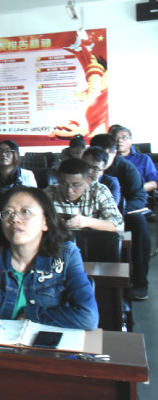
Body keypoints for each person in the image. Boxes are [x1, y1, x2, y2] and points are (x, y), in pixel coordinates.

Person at [0, 186, 99, 331]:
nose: (14, 219)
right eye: (7, 213)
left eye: (26, 212)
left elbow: (88, 317)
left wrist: (32, 315)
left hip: (43, 347)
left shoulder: (66, 256)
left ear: (45, 222)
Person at [89, 133, 150, 299]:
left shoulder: (127, 168)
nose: (100, 160)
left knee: (138, 223)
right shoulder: (85, 168)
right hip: (89, 214)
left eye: (105, 155)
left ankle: (139, 282)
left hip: (122, 215)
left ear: (114, 153)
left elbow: (139, 198)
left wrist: (116, 213)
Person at [44, 158, 123, 232]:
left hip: (92, 239)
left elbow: (119, 225)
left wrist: (87, 222)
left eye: (76, 185)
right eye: (64, 184)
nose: (69, 190)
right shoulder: (49, 193)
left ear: (88, 181)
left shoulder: (98, 191)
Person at [0, 140, 37, 205]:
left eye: (8, 151)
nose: (3, 154)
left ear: (15, 154)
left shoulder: (27, 175)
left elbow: (33, 201)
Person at [112, 126, 158, 193]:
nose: (120, 140)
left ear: (131, 141)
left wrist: (133, 190)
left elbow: (154, 183)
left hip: (139, 195)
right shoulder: (108, 160)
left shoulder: (144, 159)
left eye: (124, 137)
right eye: (116, 138)